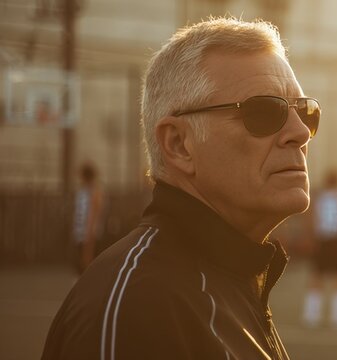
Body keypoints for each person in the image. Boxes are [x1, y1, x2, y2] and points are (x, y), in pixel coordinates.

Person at [41, 17, 321, 360]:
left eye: (306, 112)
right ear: (178, 144)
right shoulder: (140, 307)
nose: (301, 133)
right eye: (263, 111)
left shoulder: (229, 278)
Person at [302, 169, 337, 329]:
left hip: (322, 239)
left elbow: (311, 218)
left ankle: (311, 315)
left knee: (317, 276)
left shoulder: (318, 197)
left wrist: (310, 238)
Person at [72, 162, 105, 274]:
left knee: (88, 268)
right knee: (80, 269)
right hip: (81, 236)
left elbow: (92, 217)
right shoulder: (82, 191)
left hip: (89, 236)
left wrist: (89, 243)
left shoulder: (94, 192)